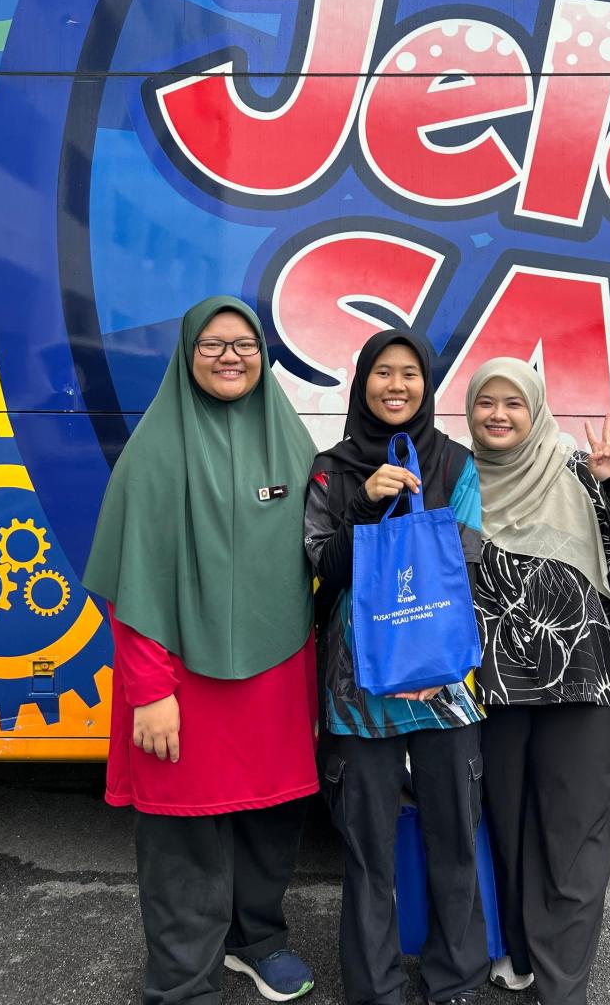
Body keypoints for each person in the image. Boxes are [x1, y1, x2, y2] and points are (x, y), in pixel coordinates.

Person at [83, 296, 319, 1005]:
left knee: (272, 818)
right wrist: (150, 691)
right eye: (212, 344)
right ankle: (183, 983)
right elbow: (132, 584)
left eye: (244, 344)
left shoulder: (293, 443)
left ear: (263, 356)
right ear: (188, 354)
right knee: (184, 837)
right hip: (180, 686)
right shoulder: (153, 453)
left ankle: (257, 941)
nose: (230, 357)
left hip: (277, 678)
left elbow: (329, 551)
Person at [304, 330, 489, 1005]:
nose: (396, 386)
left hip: (444, 687)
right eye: (383, 372)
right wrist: (365, 506)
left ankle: (456, 979)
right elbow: (322, 569)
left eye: (410, 373)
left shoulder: (455, 462)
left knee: (454, 840)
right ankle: (375, 988)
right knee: (367, 851)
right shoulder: (331, 470)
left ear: (426, 384)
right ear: (362, 384)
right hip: (358, 689)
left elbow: (468, 562)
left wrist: (412, 519)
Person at [465, 359, 610, 1005]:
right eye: (486, 402)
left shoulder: (576, 469)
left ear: (535, 409)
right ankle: (520, 955)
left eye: (513, 403)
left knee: (573, 835)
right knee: (508, 827)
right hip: (494, 691)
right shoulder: (459, 480)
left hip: (586, 683)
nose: (498, 414)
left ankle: (563, 984)